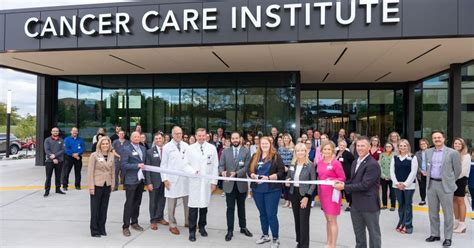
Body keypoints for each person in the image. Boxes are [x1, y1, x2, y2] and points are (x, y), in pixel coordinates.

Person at [334, 136, 382, 248]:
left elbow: (365, 185)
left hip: (369, 206)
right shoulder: (355, 162)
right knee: (359, 235)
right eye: (358, 146)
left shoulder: (372, 164)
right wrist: (340, 182)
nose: (359, 148)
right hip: (355, 205)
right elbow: (353, 180)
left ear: (369, 147)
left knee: (374, 235)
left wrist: (344, 187)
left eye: (362, 146)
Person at [425, 131, 462, 247]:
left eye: (439, 137)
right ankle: (435, 234)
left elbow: (458, 171)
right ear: (432, 140)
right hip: (431, 185)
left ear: (444, 138)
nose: (437, 139)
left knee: (447, 213)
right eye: (434, 138)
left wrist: (449, 181)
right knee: (432, 212)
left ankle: (448, 237)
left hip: (445, 186)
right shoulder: (428, 152)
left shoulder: (452, 153)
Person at [182, 128, 219, 242]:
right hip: (194, 181)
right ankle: (192, 231)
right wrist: (193, 172)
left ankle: (202, 227)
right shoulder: (190, 148)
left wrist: (214, 182)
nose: (201, 137)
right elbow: (185, 165)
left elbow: (214, 166)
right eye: (199, 136)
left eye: (203, 135)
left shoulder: (212, 148)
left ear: (206, 136)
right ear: (196, 136)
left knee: (204, 207)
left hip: (206, 183)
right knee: (193, 207)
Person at [248, 136, 285, 248]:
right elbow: (249, 170)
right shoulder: (255, 156)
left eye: (266, 143)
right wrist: (253, 175)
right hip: (257, 190)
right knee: (262, 214)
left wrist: (268, 178)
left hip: (272, 190)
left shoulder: (276, 156)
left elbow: (281, 172)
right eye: (262, 143)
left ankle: (275, 238)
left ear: (270, 144)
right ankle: (265, 235)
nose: (264, 145)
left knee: (271, 214)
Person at [218, 131, 253, 242]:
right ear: (231, 140)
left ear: (240, 139)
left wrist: (237, 173)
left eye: (237, 138)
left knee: (241, 208)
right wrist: (222, 171)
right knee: (230, 208)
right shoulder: (225, 151)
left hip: (241, 185)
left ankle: (243, 227)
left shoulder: (246, 151)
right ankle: (230, 230)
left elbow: (247, 167)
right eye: (233, 138)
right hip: (229, 185)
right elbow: (221, 165)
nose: (235, 140)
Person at [285, 143, 316, 248]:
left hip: (305, 195)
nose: (300, 152)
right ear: (295, 152)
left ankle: (304, 245)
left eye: (302, 150)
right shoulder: (292, 164)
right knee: (297, 219)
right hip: (294, 193)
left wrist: (307, 197)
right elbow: (288, 177)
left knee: (304, 221)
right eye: (298, 150)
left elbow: (313, 183)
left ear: (306, 152)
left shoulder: (310, 165)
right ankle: (299, 242)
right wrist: (287, 181)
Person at [161, 126, 190, 235]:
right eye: (176, 133)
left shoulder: (186, 146)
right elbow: (163, 165)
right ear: (172, 135)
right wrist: (165, 179)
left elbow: (189, 162)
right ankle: (172, 224)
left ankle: (188, 222)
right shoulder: (167, 147)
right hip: (172, 180)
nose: (178, 135)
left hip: (185, 180)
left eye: (180, 133)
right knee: (171, 205)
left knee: (188, 203)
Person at [318, 141, 346, 248]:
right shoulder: (320, 162)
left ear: (333, 151)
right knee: (327, 220)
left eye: (329, 149)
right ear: (321, 151)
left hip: (332, 194)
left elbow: (342, 178)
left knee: (332, 220)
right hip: (323, 194)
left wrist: (332, 179)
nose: (327, 151)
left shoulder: (336, 163)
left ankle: (333, 245)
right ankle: (328, 242)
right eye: (325, 149)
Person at [88, 136, 115, 237]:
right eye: (103, 144)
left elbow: (113, 171)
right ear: (99, 145)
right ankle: (94, 230)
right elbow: (90, 172)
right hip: (97, 184)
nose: (105, 145)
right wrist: (91, 187)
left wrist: (112, 184)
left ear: (109, 145)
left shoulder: (112, 155)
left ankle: (102, 228)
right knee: (95, 209)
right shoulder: (94, 155)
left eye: (107, 144)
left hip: (107, 185)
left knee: (104, 208)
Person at [121, 131, 146, 237]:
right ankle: (125, 226)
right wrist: (137, 166)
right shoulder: (126, 149)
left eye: (138, 136)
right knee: (129, 203)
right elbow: (124, 165)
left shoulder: (143, 149)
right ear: (131, 138)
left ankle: (134, 222)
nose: (137, 138)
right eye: (134, 136)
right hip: (131, 180)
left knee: (137, 203)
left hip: (140, 180)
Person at [390, 139, 418, 234]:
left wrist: (405, 184)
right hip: (397, 185)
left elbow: (413, 172)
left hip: (409, 186)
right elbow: (392, 171)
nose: (402, 147)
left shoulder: (413, 157)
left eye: (404, 146)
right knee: (401, 205)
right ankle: (401, 223)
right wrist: (397, 183)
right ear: (398, 147)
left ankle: (408, 225)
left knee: (407, 205)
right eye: (400, 146)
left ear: (408, 147)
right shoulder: (395, 158)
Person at [144, 132, 169, 231]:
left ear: (163, 139)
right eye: (156, 138)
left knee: (162, 200)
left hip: (165, 181)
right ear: (154, 140)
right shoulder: (149, 152)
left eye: (160, 138)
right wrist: (148, 182)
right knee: (153, 201)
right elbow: (147, 169)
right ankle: (153, 220)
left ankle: (160, 217)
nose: (158, 140)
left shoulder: (167, 151)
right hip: (154, 181)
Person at [452, 137, 470, 233]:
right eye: (455, 143)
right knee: (454, 200)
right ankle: (457, 221)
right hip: (452, 180)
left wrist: (452, 178)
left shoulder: (466, 156)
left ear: (462, 145)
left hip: (460, 180)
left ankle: (462, 224)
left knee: (460, 201)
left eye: (459, 144)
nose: (457, 145)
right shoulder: (452, 154)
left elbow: (463, 172)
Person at [43, 127, 65, 197]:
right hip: (49, 161)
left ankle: (58, 189)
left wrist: (55, 156)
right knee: (48, 176)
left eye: (57, 131)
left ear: (58, 132)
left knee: (58, 176)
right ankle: (47, 191)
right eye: (54, 131)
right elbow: (47, 150)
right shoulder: (47, 140)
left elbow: (62, 150)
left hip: (59, 161)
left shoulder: (61, 140)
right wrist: (52, 158)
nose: (55, 132)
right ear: (51, 132)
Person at [335, 140, 354, 211]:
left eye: (343, 145)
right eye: (340, 145)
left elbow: (353, 161)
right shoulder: (336, 152)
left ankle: (351, 205)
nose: (341, 147)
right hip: (338, 175)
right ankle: (338, 203)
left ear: (345, 146)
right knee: (338, 189)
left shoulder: (348, 153)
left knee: (347, 190)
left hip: (346, 174)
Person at [379, 142, 396, 211]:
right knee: (384, 191)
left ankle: (393, 205)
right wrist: (383, 175)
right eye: (386, 146)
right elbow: (380, 165)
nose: (388, 148)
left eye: (389, 146)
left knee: (392, 191)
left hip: (392, 176)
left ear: (392, 147)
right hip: (383, 176)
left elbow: (396, 166)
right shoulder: (382, 155)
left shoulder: (395, 155)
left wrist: (391, 176)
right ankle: (385, 205)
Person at [278, 133, 294, 208]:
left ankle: (291, 201)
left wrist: (289, 167)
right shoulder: (280, 149)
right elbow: (279, 159)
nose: (286, 140)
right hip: (283, 168)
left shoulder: (293, 148)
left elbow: (294, 160)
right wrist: (283, 167)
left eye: (287, 138)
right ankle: (286, 200)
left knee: (290, 185)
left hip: (291, 168)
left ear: (290, 139)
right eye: (284, 138)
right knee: (284, 185)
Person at [415, 139, 430, 205]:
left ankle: (432, 200)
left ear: (427, 144)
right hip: (420, 173)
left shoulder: (432, 152)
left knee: (431, 187)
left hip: (430, 173)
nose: (423, 145)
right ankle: (423, 200)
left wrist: (428, 171)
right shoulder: (417, 153)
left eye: (424, 144)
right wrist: (421, 171)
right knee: (422, 187)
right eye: (421, 144)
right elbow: (415, 164)